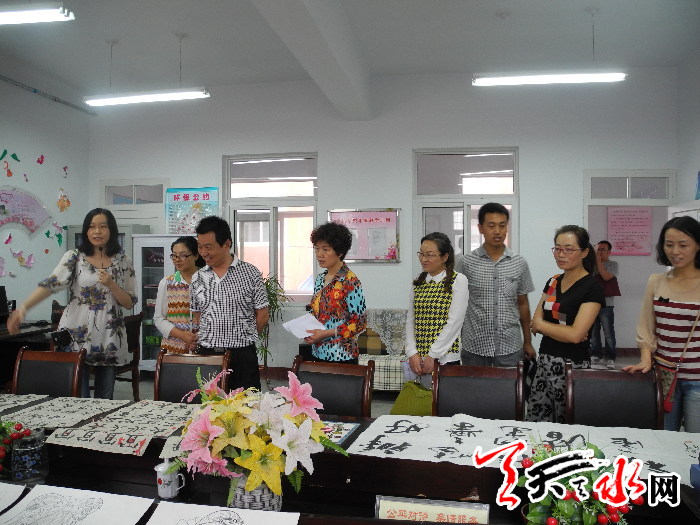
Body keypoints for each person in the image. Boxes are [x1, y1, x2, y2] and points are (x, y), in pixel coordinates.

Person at [7, 208, 137, 399]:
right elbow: (50, 285)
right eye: (92, 227)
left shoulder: (124, 261)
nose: (97, 231)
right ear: (86, 231)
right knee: (78, 395)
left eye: (103, 226)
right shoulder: (75, 257)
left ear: (112, 230)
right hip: (77, 334)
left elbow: (129, 303)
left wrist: (112, 284)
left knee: (105, 397)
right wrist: (24, 308)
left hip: (109, 336)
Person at [624, 216, 700, 432]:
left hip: (697, 379)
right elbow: (646, 325)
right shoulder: (656, 281)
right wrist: (645, 358)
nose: (675, 251)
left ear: (698, 245)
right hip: (664, 376)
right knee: (664, 437)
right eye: (669, 245)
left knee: (695, 442)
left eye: (683, 245)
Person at [526, 225, 604, 423]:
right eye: (558, 249)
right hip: (544, 362)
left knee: (567, 424)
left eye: (569, 249)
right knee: (537, 423)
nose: (561, 254)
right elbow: (534, 323)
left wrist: (546, 327)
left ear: (584, 252)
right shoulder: (553, 282)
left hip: (572, 366)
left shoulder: (592, 287)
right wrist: (565, 331)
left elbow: (575, 336)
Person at [190, 216, 269, 390]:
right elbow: (197, 315)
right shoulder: (198, 277)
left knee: (246, 404)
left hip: (242, 357)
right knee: (209, 404)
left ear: (226, 244)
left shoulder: (250, 273)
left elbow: (262, 316)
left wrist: (244, 338)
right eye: (200, 246)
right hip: (208, 356)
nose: (203, 253)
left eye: (208, 247)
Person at [459, 202, 536, 367]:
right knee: (473, 385)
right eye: (491, 225)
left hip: (510, 346)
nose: (497, 231)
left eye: (502, 225)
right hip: (474, 347)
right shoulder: (466, 263)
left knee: (512, 385)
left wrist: (528, 342)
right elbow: (457, 303)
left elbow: (523, 303)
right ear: (480, 228)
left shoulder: (519, 263)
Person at [405, 233, 468, 381]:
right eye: (421, 254)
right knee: (416, 395)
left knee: (444, 396)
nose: (423, 259)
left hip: (446, 358)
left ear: (445, 257)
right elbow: (410, 321)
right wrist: (412, 352)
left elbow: (454, 323)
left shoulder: (458, 280)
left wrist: (433, 354)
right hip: (418, 359)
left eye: (430, 255)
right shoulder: (419, 282)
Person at [305, 222, 367, 363]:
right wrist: (307, 330)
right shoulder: (320, 279)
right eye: (317, 248)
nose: (319, 254)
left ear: (339, 252)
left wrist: (326, 333)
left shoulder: (350, 281)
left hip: (342, 355)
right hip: (318, 352)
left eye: (325, 249)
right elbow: (316, 312)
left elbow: (359, 323)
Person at [154, 236, 204, 354]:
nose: (177, 260)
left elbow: (216, 316)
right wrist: (182, 335)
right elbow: (159, 318)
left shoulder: (208, 281)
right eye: (174, 255)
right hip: (174, 349)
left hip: (203, 347)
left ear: (196, 256)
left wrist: (197, 336)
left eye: (183, 255)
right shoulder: (167, 283)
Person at [590, 240, 620, 369]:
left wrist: (598, 261)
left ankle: (610, 357)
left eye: (602, 249)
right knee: (594, 332)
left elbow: (606, 276)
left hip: (606, 304)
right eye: (598, 249)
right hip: (591, 303)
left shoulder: (613, 264)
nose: (599, 252)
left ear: (609, 252)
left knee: (608, 332)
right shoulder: (591, 265)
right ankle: (596, 354)